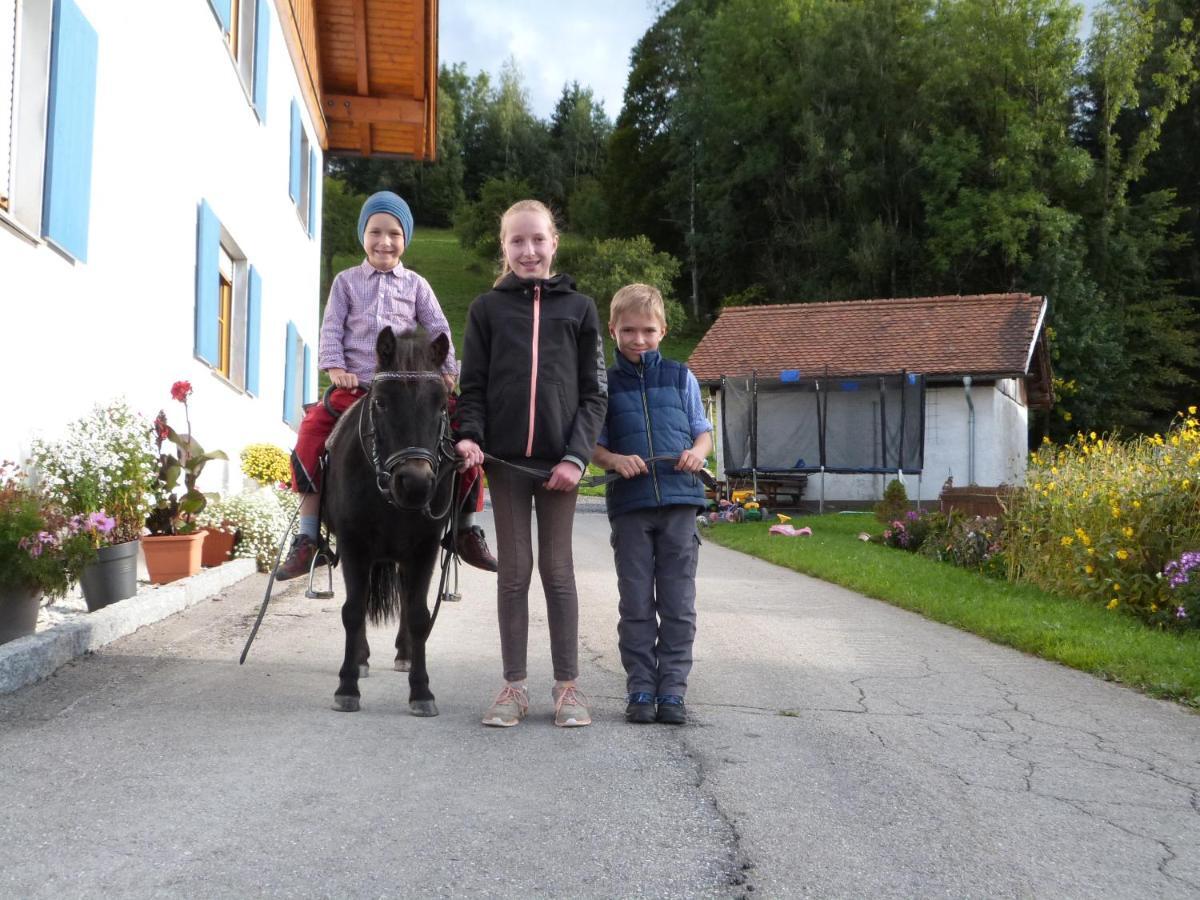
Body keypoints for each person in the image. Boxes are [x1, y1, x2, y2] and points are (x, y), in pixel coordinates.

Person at [276, 191, 497, 580]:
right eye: (375, 232)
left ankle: (465, 528)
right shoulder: (346, 282)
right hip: (358, 385)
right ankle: (308, 536)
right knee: (310, 433)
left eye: (394, 233)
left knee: (462, 437)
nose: (384, 241)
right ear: (363, 235)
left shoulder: (416, 285)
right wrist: (334, 365)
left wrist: (445, 371)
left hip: (406, 390)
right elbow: (331, 327)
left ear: (405, 239)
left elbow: (440, 328)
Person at [454, 199, 608, 728]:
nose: (529, 250)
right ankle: (513, 688)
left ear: (554, 243)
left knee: (559, 572)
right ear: (504, 247)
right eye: (517, 241)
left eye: (538, 239)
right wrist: (470, 437)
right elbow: (470, 386)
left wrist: (576, 457)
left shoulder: (581, 309)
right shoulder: (486, 310)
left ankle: (568, 688)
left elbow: (594, 395)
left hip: (561, 466)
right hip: (506, 464)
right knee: (514, 572)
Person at [592, 283, 713, 725]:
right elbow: (594, 447)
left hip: (681, 502)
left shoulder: (682, 376)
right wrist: (615, 460)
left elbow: (703, 431)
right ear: (613, 331)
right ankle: (641, 688)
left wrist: (698, 453)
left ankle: (673, 691)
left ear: (662, 330)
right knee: (636, 604)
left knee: (678, 603)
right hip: (630, 507)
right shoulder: (602, 385)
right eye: (628, 330)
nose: (638, 339)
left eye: (647, 330)